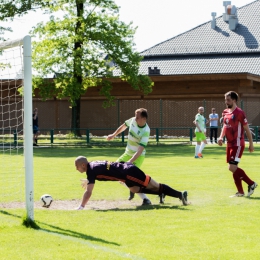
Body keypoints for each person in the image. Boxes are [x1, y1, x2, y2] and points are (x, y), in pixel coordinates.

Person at [74, 156, 189, 210]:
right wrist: (89, 180)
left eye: (77, 166)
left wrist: (81, 206)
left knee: (155, 185)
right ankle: (160, 193)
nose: (76, 169)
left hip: (129, 173)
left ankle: (180, 194)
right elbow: (102, 171)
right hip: (126, 173)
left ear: (83, 165)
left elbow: (89, 192)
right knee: (134, 189)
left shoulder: (91, 171)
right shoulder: (93, 164)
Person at [106, 108, 152, 205]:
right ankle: (132, 189)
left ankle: (146, 199)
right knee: (115, 170)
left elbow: (140, 151)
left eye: (137, 117)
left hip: (138, 157)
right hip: (127, 153)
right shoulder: (133, 120)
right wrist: (114, 135)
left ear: (143, 118)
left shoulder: (146, 131)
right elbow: (123, 126)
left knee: (129, 177)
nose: (135, 119)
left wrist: (130, 162)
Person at [217, 91, 258, 197]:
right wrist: (221, 137)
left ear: (234, 100)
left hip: (238, 143)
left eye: (228, 100)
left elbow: (247, 129)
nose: (226, 102)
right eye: (225, 99)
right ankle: (240, 192)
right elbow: (224, 127)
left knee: (231, 167)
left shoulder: (240, 113)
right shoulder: (225, 112)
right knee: (233, 167)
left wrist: (251, 144)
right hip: (229, 144)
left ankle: (251, 183)